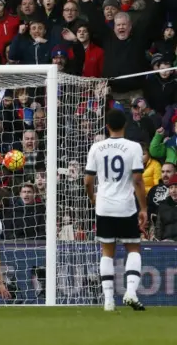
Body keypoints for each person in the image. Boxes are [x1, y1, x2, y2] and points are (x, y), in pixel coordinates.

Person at [84, 108, 147, 311]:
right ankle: (130, 292)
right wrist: (143, 208)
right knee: (133, 249)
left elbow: (87, 181)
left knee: (107, 252)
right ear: (125, 125)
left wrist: (94, 198)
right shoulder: (134, 147)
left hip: (104, 206)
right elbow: (137, 179)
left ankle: (109, 301)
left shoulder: (96, 147)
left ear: (107, 126)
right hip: (126, 207)